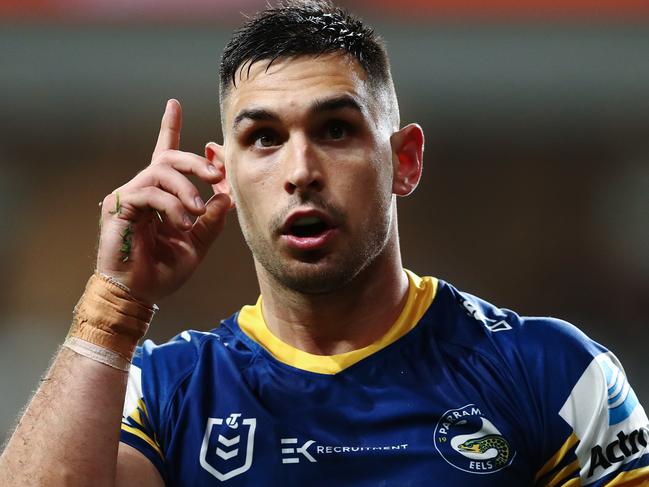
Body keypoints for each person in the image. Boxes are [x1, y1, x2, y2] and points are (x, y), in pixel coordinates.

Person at [1, 0, 648, 485]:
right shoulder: (164, 392)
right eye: (263, 138)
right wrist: (113, 304)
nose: (301, 170)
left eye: (335, 130)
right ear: (221, 174)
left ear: (405, 160)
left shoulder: (557, 376)